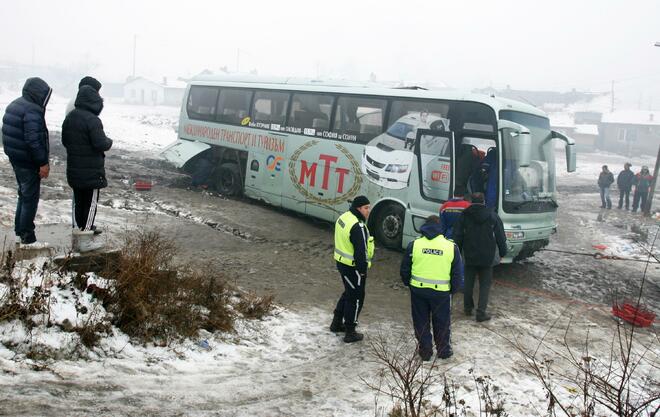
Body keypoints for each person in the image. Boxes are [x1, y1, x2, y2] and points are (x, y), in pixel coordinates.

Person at [400, 215, 463, 361]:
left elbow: (404, 269)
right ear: (440, 227)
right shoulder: (451, 247)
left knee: (421, 321)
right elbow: (457, 273)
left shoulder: (414, 244)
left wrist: (408, 283)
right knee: (442, 322)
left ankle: (425, 351)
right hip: (441, 293)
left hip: (418, 291)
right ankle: (443, 351)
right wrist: (452, 290)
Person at [1, 77, 52, 247]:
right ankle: (27, 238)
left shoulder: (16, 104)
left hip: (17, 159)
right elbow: (33, 140)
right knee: (30, 198)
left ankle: (19, 231)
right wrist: (42, 163)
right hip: (28, 162)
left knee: (23, 195)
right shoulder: (32, 110)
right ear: (38, 93)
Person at [61, 85, 113, 249]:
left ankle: (78, 232)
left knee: (79, 202)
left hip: (74, 170)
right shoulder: (92, 120)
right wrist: (109, 141)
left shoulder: (70, 118)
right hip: (91, 171)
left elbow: (65, 141)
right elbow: (101, 143)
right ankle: (85, 240)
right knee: (90, 205)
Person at [453, 192, 507, 322]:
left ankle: (467, 309)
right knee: (485, 285)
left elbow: (458, 235)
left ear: (471, 201)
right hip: (487, 256)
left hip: (470, 254)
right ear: (484, 202)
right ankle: (481, 313)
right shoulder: (492, 216)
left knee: (468, 282)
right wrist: (503, 253)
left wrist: (457, 253)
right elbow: (501, 236)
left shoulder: (464, 215)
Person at [330, 195, 375, 343]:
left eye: (369, 207)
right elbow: (360, 252)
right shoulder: (358, 226)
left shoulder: (344, 217)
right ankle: (350, 331)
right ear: (358, 208)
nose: (368, 211)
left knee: (349, 292)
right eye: (366, 208)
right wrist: (362, 270)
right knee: (356, 297)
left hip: (341, 262)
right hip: (353, 267)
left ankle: (336, 323)